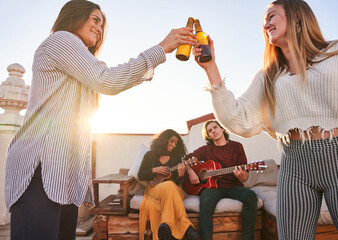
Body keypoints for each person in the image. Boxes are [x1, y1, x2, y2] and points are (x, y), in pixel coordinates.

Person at [4, 0, 197, 239]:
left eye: (102, 24)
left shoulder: (82, 61)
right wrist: (162, 48)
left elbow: (111, 80)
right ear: (75, 16)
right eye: (95, 19)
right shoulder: (62, 39)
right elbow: (107, 80)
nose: (100, 28)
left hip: (64, 176)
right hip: (40, 169)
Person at [193, 0, 338, 239]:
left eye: (271, 15)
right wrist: (210, 68)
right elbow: (237, 119)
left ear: (298, 15)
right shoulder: (268, 76)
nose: (265, 23)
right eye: (264, 20)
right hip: (296, 164)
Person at [185, 119, 257, 240]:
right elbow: (186, 159)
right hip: (213, 188)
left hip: (234, 186)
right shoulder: (206, 149)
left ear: (222, 128)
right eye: (210, 130)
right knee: (206, 201)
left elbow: (245, 177)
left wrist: (242, 176)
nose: (213, 131)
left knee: (251, 196)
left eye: (215, 127)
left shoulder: (237, 146)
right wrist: (191, 171)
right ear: (208, 135)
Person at [138, 129, 199, 240]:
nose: (173, 145)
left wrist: (180, 175)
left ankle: (167, 228)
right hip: (155, 189)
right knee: (169, 185)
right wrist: (154, 170)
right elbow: (141, 174)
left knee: (170, 185)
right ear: (164, 140)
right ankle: (187, 227)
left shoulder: (176, 159)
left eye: (176, 143)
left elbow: (177, 182)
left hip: (175, 190)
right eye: (171, 141)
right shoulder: (150, 155)